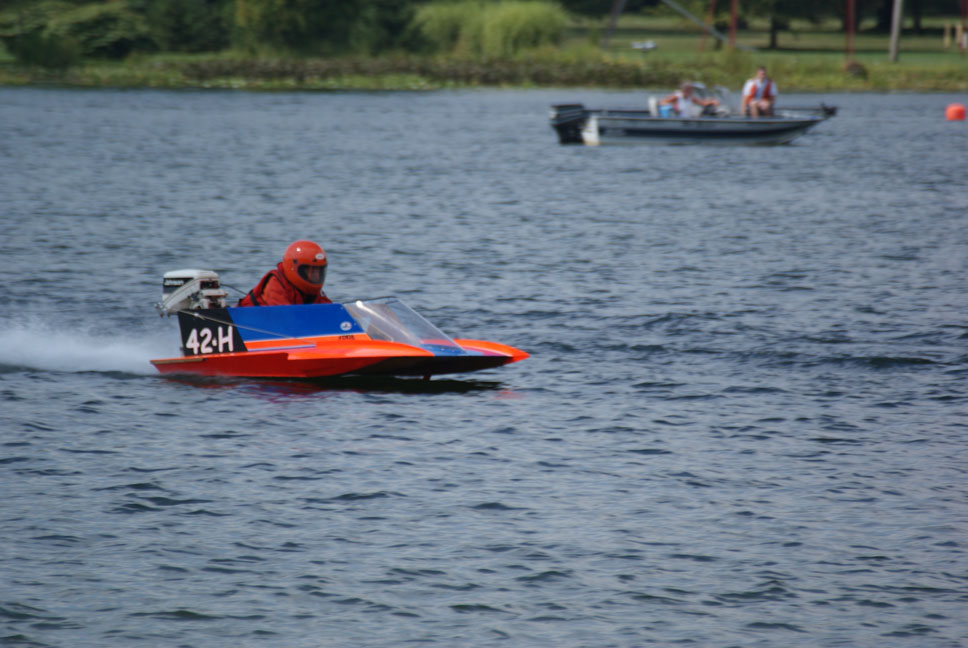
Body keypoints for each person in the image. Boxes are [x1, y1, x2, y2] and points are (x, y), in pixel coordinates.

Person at [237, 240, 333, 307]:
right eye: (312, 272)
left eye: (319, 272)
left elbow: (328, 310)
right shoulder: (276, 285)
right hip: (243, 328)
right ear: (294, 269)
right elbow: (283, 317)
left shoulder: (312, 292)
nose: (316, 277)